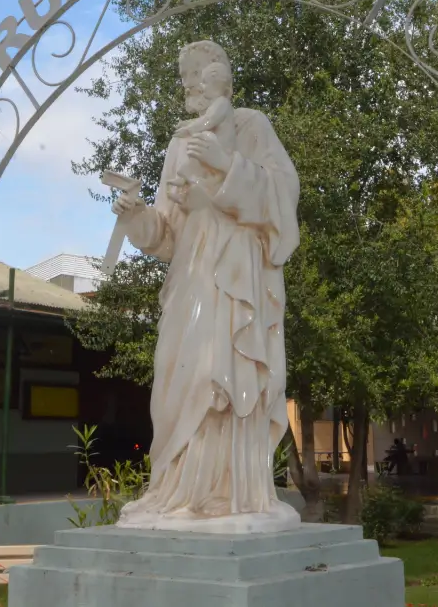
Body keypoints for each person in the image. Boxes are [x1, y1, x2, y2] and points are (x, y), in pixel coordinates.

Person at [110, 40, 301, 533]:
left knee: (222, 377)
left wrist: (224, 163)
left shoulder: (250, 126)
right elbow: (166, 233)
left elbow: (282, 194)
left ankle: (229, 495)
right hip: (189, 279)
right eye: (185, 76)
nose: (188, 85)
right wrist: (135, 215)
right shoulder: (178, 142)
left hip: (236, 277)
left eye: (194, 73)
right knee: (178, 377)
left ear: (220, 75)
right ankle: (175, 492)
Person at [172, 61, 235, 188]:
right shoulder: (217, 104)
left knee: (202, 138)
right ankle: (183, 179)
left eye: (204, 83)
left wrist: (189, 130)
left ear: (216, 85)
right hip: (214, 149)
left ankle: (189, 176)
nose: (201, 86)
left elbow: (209, 121)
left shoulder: (222, 103)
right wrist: (187, 124)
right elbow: (206, 119)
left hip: (222, 149)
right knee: (199, 142)